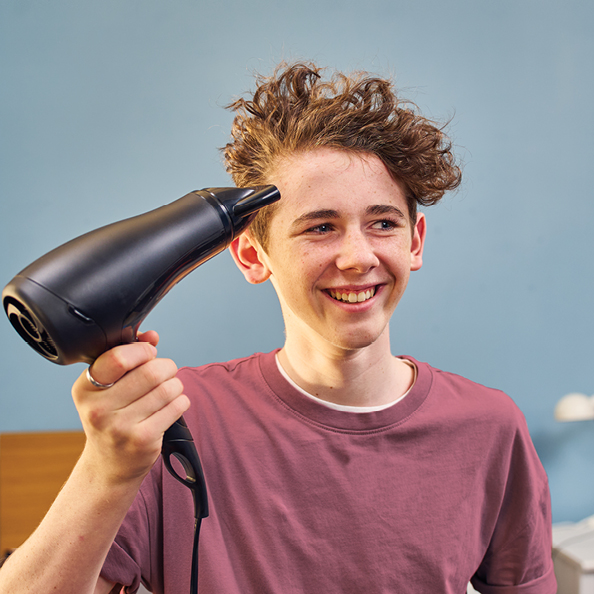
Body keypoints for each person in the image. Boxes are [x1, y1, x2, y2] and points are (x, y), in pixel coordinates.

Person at [0, 62, 556, 594]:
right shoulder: (168, 425)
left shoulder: (489, 426)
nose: (358, 256)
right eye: (320, 227)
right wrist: (107, 469)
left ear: (415, 241)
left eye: (383, 223)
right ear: (250, 255)